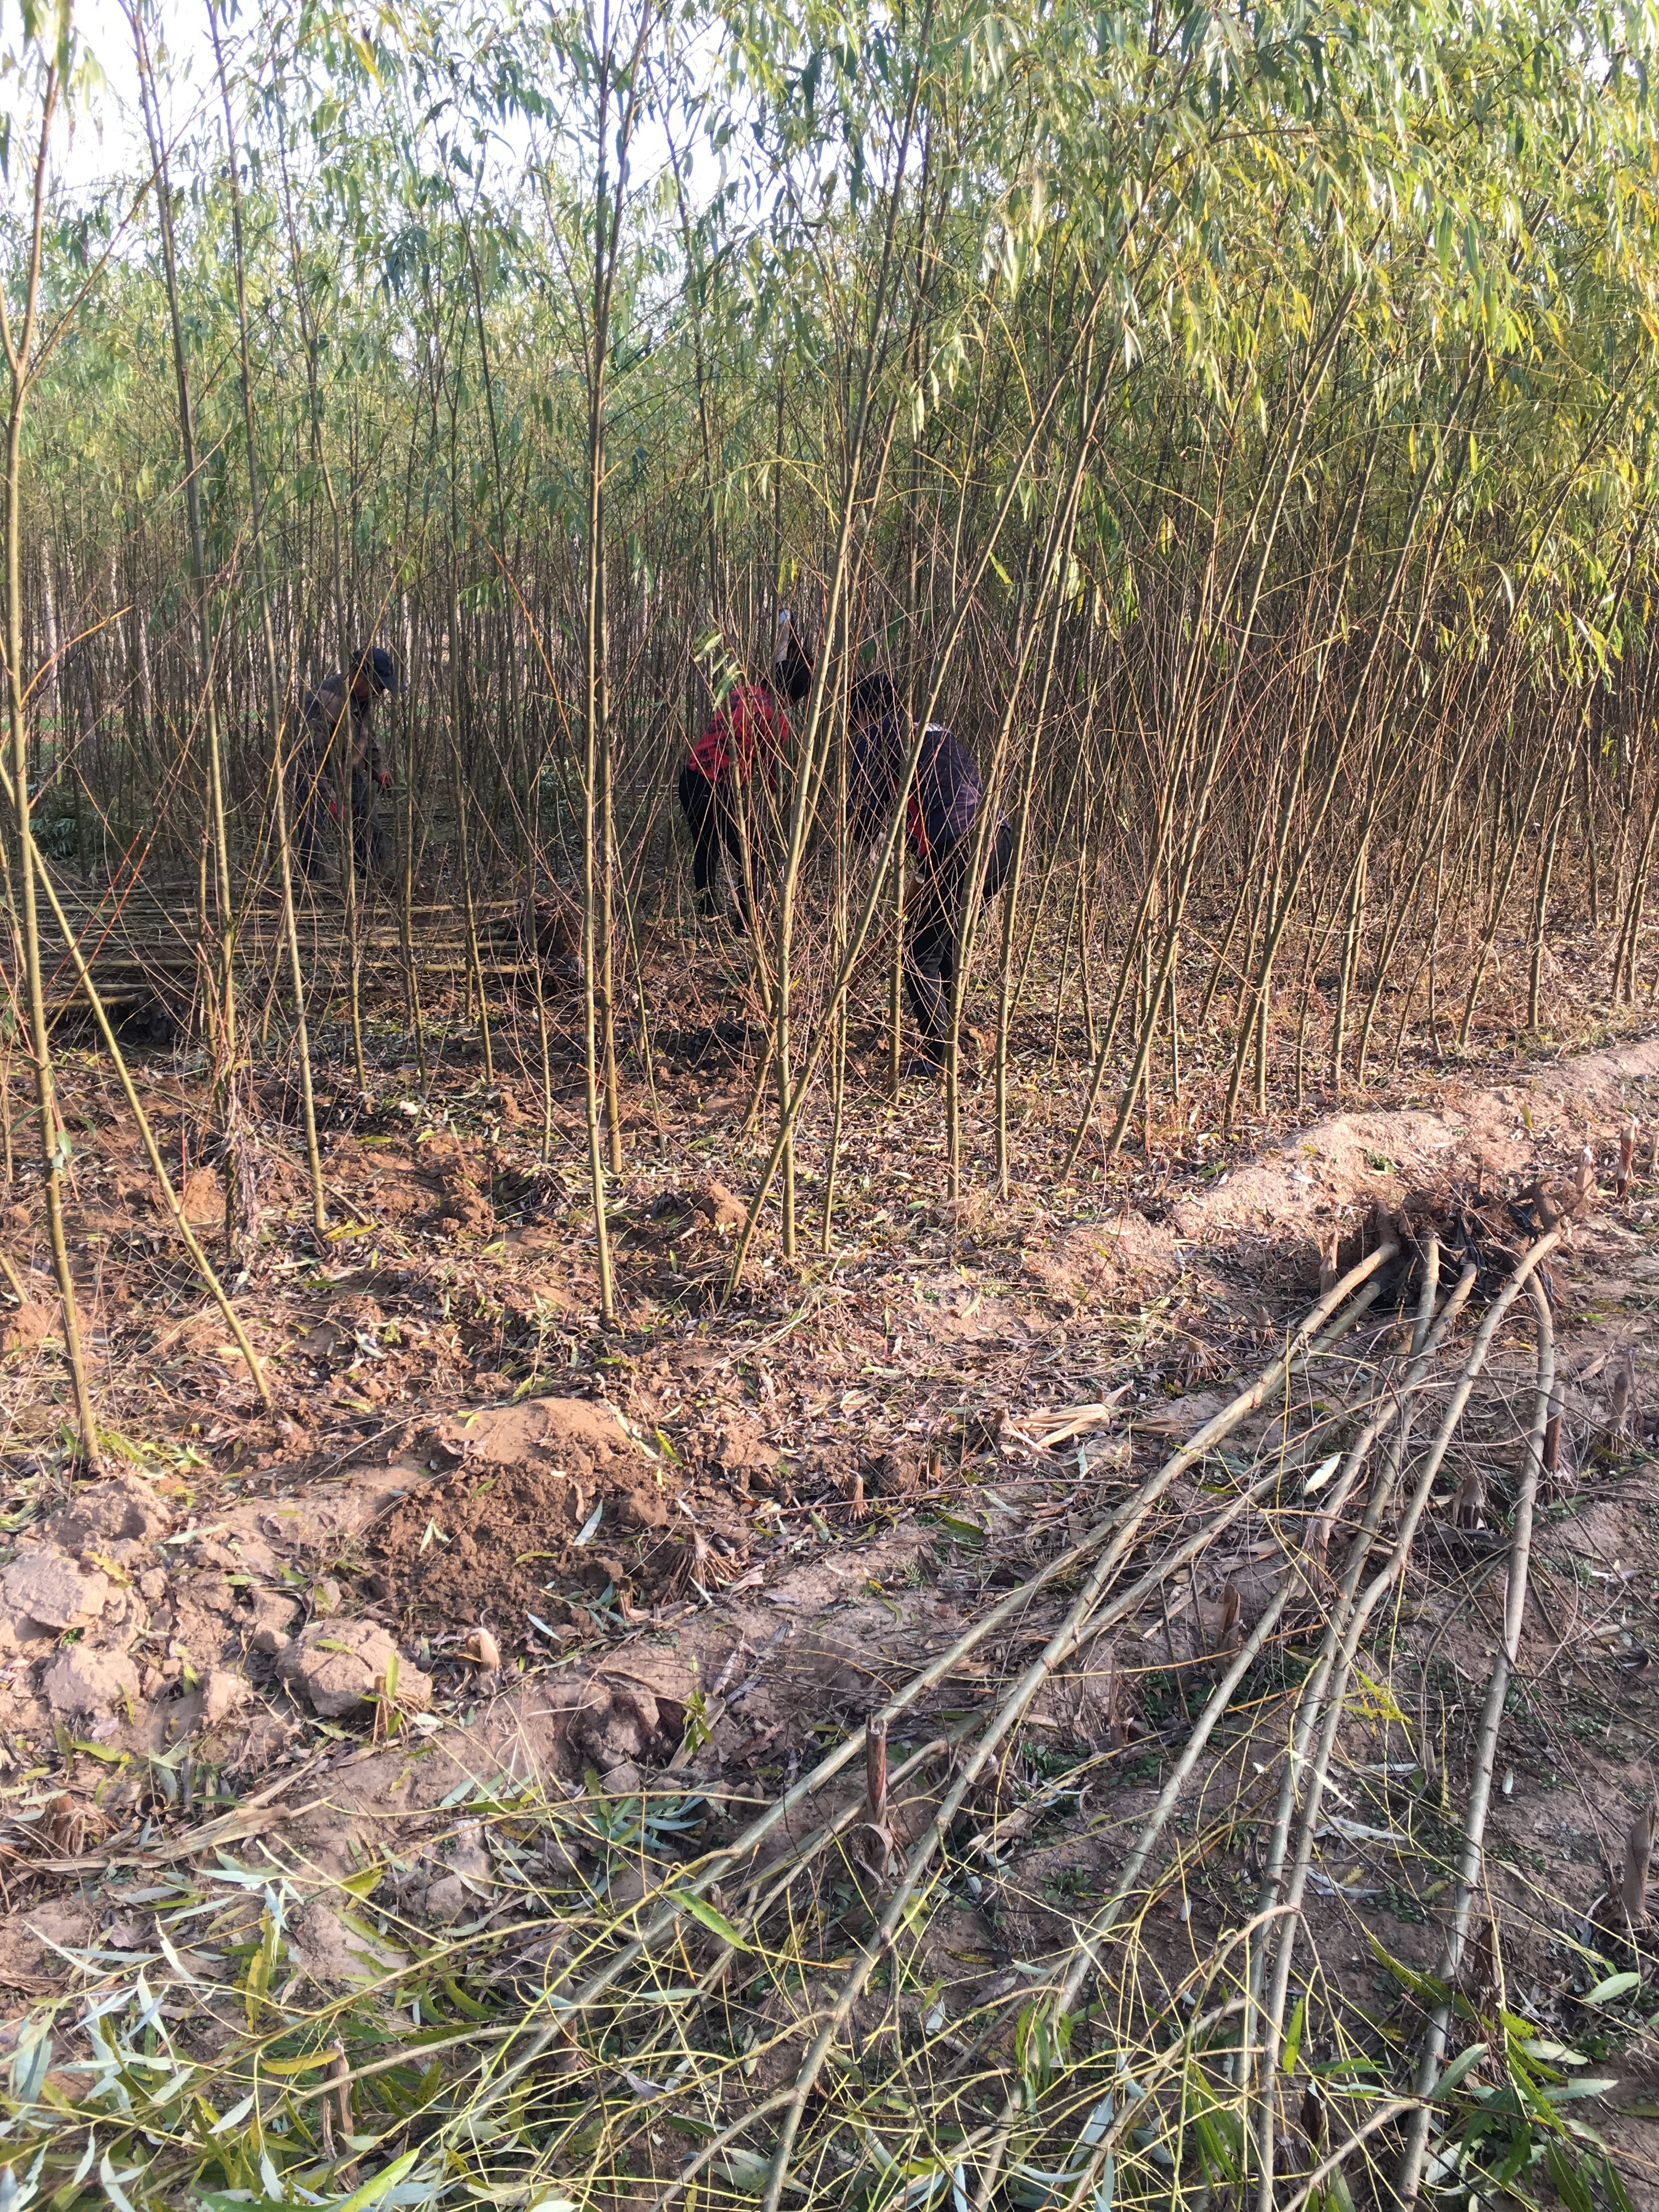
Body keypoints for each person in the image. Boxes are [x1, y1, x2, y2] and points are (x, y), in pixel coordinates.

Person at [849, 672, 1013, 1074]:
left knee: (915, 954)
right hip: (1000, 842)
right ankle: (956, 1035)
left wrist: (863, 837)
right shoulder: (932, 729)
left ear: (862, 712)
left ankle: (943, 1059)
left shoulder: (875, 734)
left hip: (956, 849)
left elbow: (864, 818)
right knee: (944, 947)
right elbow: (930, 805)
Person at [677, 616, 811, 929]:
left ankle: (707, 913)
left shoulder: (740, 691)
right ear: (791, 696)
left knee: (706, 847)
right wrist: (777, 792)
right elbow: (769, 771)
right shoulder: (777, 720)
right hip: (721, 789)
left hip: (690, 778)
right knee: (756, 857)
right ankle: (745, 923)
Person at [291, 645, 405, 881]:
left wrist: (380, 770)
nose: (381, 693)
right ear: (360, 676)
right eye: (379, 685)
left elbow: (368, 738)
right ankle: (312, 890)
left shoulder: (363, 699)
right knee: (312, 840)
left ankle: (370, 882)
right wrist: (330, 799)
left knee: (369, 827)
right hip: (314, 780)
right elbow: (308, 757)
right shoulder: (325, 700)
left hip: (349, 774)